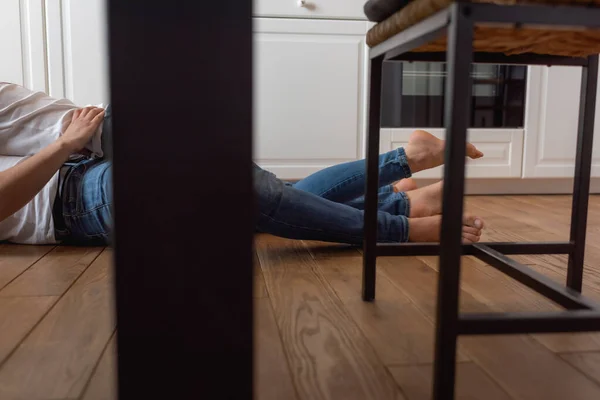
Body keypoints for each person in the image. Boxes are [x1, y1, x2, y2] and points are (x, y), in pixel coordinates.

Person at [0, 82, 485, 245]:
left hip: (89, 159)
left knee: (229, 189)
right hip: (70, 204)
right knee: (233, 193)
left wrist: (78, 140)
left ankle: (399, 194)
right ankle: (396, 206)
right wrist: (66, 146)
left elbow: (39, 121)